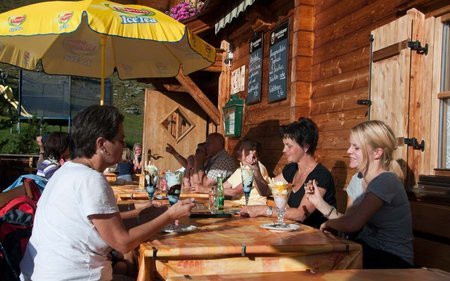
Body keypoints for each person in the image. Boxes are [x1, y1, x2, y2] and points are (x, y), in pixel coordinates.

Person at [20, 105, 195, 280]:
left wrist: (144, 213)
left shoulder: (66, 172)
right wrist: (170, 216)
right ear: (102, 144)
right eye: (120, 140)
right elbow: (122, 242)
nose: (124, 146)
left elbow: (95, 224)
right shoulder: (91, 180)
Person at [321, 120, 414, 269]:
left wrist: (327, 223)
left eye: (356, 147)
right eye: (350, 145)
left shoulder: (385, 181)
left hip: (393, 260)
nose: (348, 151)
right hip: (369, 251)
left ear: (377, 153)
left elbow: (352, 224)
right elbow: (349, 220)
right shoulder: (361, 180)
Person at [240, 117, 336, 228]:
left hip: (318, 238)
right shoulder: (291, 169)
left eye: (289, 146)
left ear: (305, 147)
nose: (284, 150)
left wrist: (262, 210)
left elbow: (301, 214)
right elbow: (266, 190)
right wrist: (255, 169)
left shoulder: (321, 175)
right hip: (294, 233)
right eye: (284, 145)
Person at [223, 139, 270, 206]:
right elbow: (222, 186)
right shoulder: (240, 168)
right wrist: (211, 190)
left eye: (241, 149)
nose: (237, 152)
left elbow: (236, 192)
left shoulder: (258, 168)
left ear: (253, 152)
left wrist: (208, 190)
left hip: (252, 208)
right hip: (236, 206)